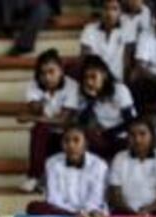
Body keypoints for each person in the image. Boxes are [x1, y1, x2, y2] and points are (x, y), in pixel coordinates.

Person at [19, 49, 78, 193]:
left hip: (65, 132)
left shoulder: (72, 86)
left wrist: (32, 118)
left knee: (47, 128)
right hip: (46, 134)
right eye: (42, 73)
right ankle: (34, 176)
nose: (47, 77)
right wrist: (42, 104)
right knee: (39, 130)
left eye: (51, 72)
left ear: (61, 71)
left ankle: (46, 179)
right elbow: (35, 108)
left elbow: (63, 121)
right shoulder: (33, 85)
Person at [66, 55, 136, 160]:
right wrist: (91, 100)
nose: (89, 82)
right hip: (102, 135)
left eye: (93, 77)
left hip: (122, 135)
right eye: (86, 78)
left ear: (104, 75)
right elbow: (82, 122)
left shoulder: (119, 90)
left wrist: (107, 134)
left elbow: (130, 121)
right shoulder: (85, 93)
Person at [107, 118, 156, 217]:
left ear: (152, 136)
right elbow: (115, 193)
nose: (137, 140)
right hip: (124, 211)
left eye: (142, 134)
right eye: (132, 135)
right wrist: (131, 212)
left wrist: (148, 209)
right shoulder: (119, 158)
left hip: (154, 211)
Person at [79, 0, 134, 83]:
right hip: (96, 81)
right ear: (101, 10)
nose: (109, 13)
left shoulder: (127, 29)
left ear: (120, 12)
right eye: (106, 8)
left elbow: (127, 62)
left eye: (114, 9)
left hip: (118, 81)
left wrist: (125, 83)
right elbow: (86, 60)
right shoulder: (89, 29)